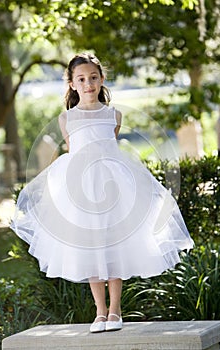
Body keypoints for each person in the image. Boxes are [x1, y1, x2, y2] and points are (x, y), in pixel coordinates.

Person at [10, 53, 194, 333]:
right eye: (81, 79)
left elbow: (110, 145)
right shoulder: (66, 119)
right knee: (90, 243)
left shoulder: (113, 115)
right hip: (80, 188)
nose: (88, 84)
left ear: (102, 79)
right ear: (71, 84)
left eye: (93, 78)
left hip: (113, 185)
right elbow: (74, 152)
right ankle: (99, 311)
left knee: (115, 242)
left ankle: (115, 310)